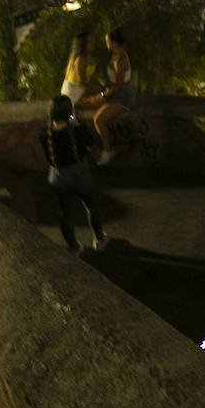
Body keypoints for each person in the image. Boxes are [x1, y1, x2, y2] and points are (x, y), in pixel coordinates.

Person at [40, 95, 110, 255]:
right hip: (79, 173)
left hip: (57, 176)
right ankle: (99, 240)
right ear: (69, 113)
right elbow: (93, 145)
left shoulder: (44, 134)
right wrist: (77, 124)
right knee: (91, 205)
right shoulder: (77, 130)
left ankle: (74, 247)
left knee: (65, 213)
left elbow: (48, 157)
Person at [93, 27, 136, 166]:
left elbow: (119, 84)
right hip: (118, 93)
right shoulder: (116, 55)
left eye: (107, 41)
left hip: (124, 96)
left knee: (98, 119)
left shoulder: (120, 59)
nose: (106, 43)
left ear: (114, 43)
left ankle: (107, 151)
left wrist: (104, 94)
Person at [60, 31, 100, 107]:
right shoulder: (80, 59)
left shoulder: (87, 57)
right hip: (73, 93)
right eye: (90, 41)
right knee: (102, 100)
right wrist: (96, 89)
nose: (93, 43)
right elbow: (81, 81)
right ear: (83, 44)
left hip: (80, 90)